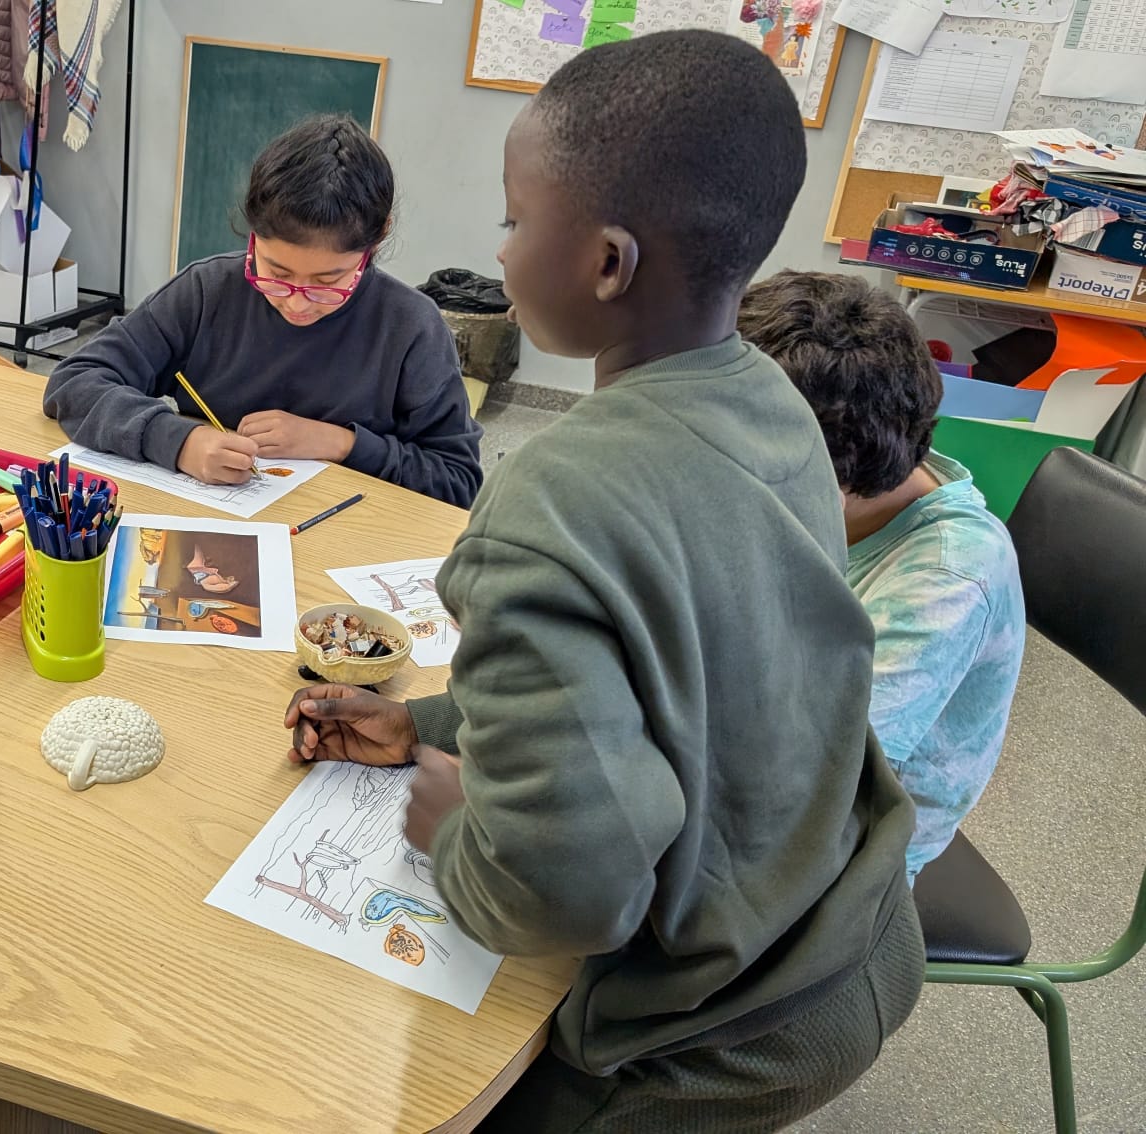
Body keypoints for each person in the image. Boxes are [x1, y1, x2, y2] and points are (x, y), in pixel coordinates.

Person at [285, 31, 921, 1132]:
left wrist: (460, 838)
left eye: (513, 222)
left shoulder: (549, 504)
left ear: (608, 264)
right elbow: (677, 673)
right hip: (851, 923)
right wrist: (425, 724)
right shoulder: (774, 402)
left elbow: (567, 890)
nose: (499, 251)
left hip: (705, 1034)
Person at [740, 270, 1026, 882]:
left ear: (818, 479)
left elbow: (802, 787)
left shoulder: (948, 579)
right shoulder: (851, 462)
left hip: (857, 841)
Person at [43, 114, 483, 508]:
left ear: (377, 239)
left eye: (328, 282)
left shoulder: (411, 328)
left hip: (348, 538)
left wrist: (342, 443)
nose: (297, 302)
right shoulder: (208, 291)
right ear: (253, 233)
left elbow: (457, 482)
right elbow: (75, 382)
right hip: (206, 516)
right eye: (276, 272)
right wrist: (179, 441)